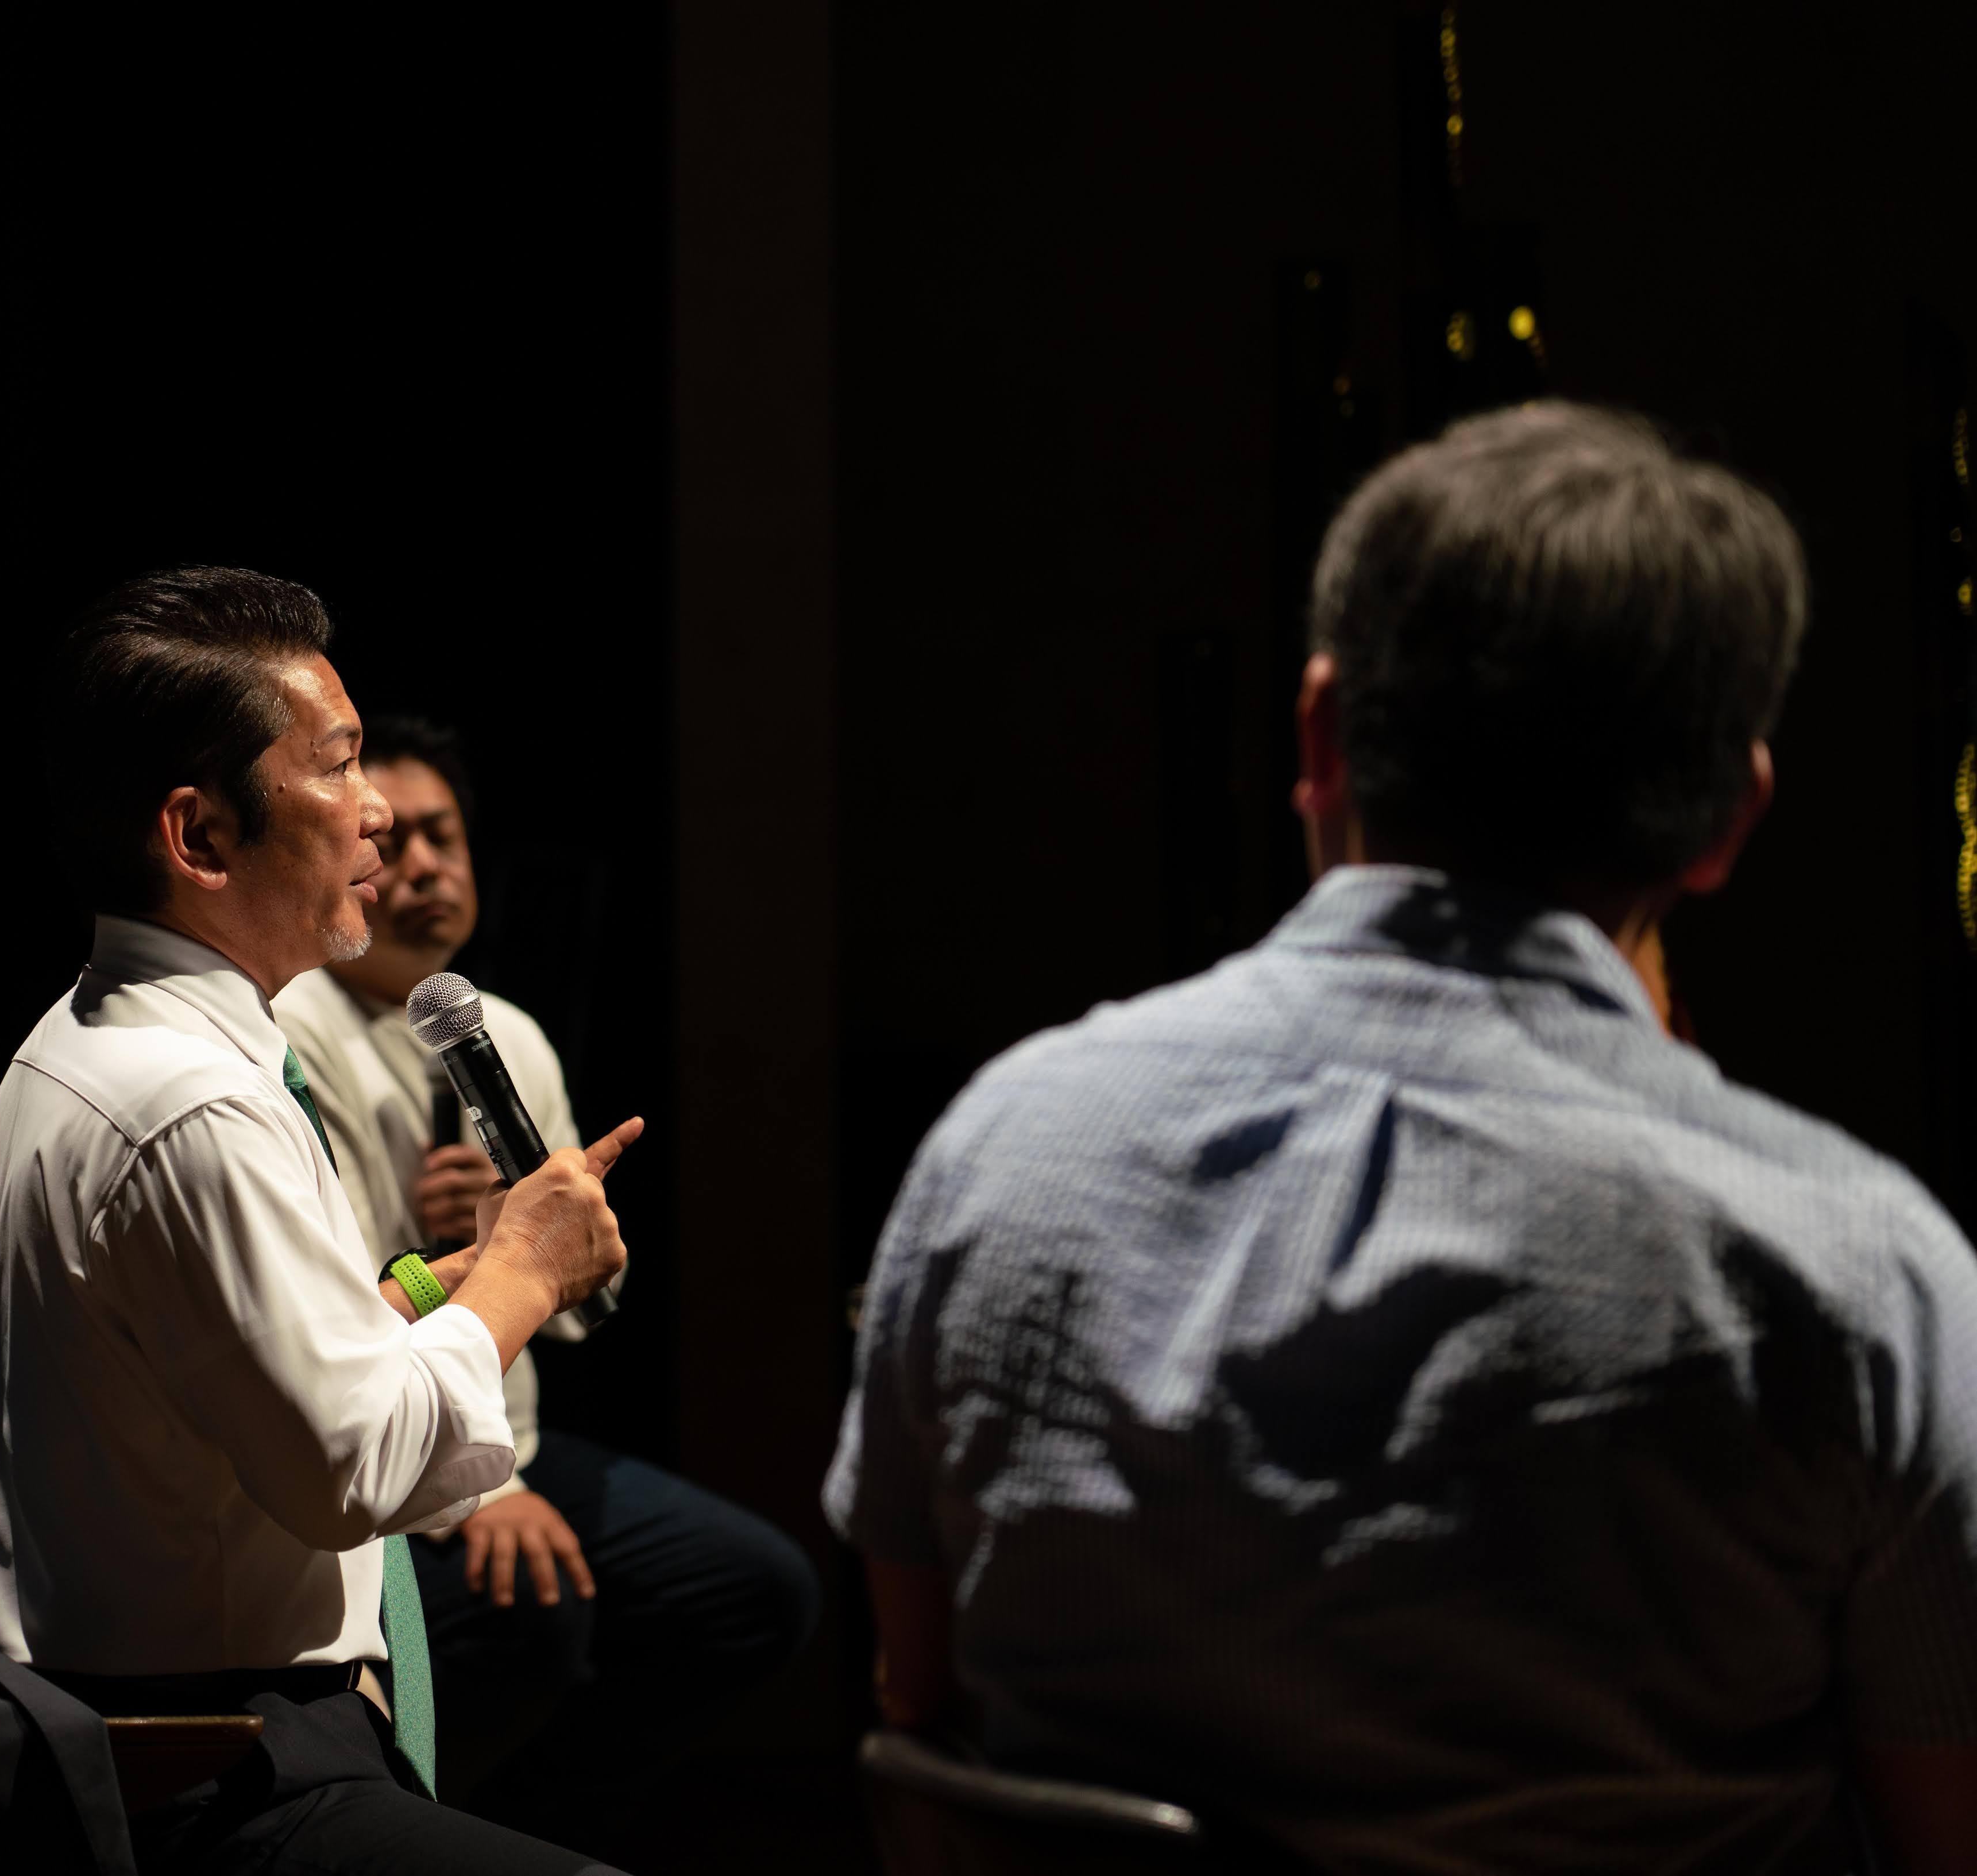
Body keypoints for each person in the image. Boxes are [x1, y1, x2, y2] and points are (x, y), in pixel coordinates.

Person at [824, 403, 1977, 1875]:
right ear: (1727, 822)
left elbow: (918, 1697)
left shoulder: (1002, 1149)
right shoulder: (1859, 1271)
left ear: (1318, 735)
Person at [0, 566, 643, 1875]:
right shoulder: (191, 1100)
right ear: (202, 836)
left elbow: (218, 1366)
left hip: (167, 1723)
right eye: (337, 765)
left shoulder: (94, 1037)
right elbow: (352, 1472)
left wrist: (430, 1289)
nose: (376, 811)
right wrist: (521, 1273)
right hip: (202, 1762)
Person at [275, 716, 817, 1834]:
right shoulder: (297, 1028)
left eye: (446, 838)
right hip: (384, 1452)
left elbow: (587, 1304)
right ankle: (427, 1833)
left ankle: (525, 1828)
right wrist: (482, 1478)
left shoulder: (500, 1032)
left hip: (507, 1432)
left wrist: (540, 1238)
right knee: (537, 1619)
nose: (426, 868)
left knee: (758, 1589)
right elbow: (331, 1311)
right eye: (394, 843)